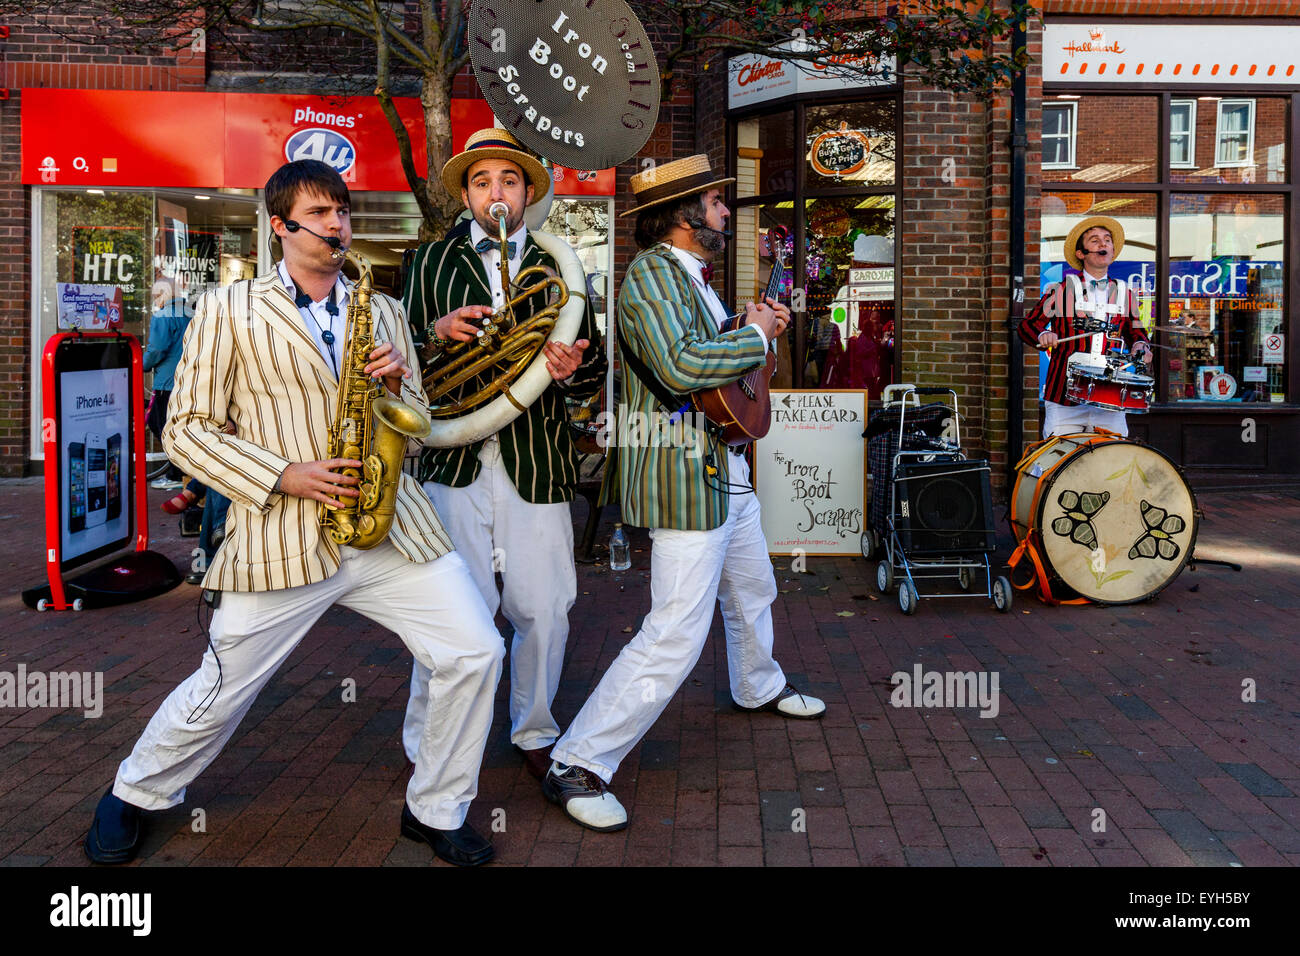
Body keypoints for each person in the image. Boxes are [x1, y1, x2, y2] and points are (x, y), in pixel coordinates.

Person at [83, 159, 505, 867]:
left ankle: (435, 808)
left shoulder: (388, 308)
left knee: (475, 651)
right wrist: (285, 475)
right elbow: (185, 428)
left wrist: (402, 380)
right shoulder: (230, 308)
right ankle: (134, 793)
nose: (338, 224)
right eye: (321, 213)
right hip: (282, 530)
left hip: (388, 528)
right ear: (280, 226)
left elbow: (419, 419)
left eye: (343, 210)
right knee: (221, 687)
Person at [541, 155, 826, 832]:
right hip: (681, 470)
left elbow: (718, 369)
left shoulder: (696, 281)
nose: (726, 212)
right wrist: (755, 334)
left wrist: (752, 329)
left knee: (753, 587)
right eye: (717, 203)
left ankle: (758, 684)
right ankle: (577, 761)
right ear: (683, 215)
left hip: (723, 468)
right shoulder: (650, 276)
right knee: (674, 631)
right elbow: (680, 366)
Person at [401, 128, 606, 781]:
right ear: (466, 194)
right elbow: (394, 353)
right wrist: (433, 333)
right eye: (483, 181)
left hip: (535, 457)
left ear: (526, 193)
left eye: (509, 181)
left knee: (544, 608)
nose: (497, 192)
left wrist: (574, 366)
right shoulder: (428, 262)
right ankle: (430, 739)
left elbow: (595, 360)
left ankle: (534, 728)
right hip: (451, 458)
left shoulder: (558, 266)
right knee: (448, 610)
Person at [1019, 215, 1154, 437]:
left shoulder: (1125, 293)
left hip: (1109, 396)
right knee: (1061, 461)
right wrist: (1043, 334)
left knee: (1110, 460)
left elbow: (1137, 332)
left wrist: (1141, 345)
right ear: (1081, 254)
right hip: (1064, 396)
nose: (1103, 244)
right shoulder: (1061, 290)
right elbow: (1028, 326)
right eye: (1095, 240)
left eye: (1107, 240)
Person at [142, 277, 193, 489]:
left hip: (167, 383)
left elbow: (157, 349)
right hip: (189, 379)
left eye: (156, 296)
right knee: (181, 428)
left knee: (159, 424)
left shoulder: (163, 316)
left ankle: (175, 474)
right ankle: (183, 474)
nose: (155, 301)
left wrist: (141, 364)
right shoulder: (191, 312)